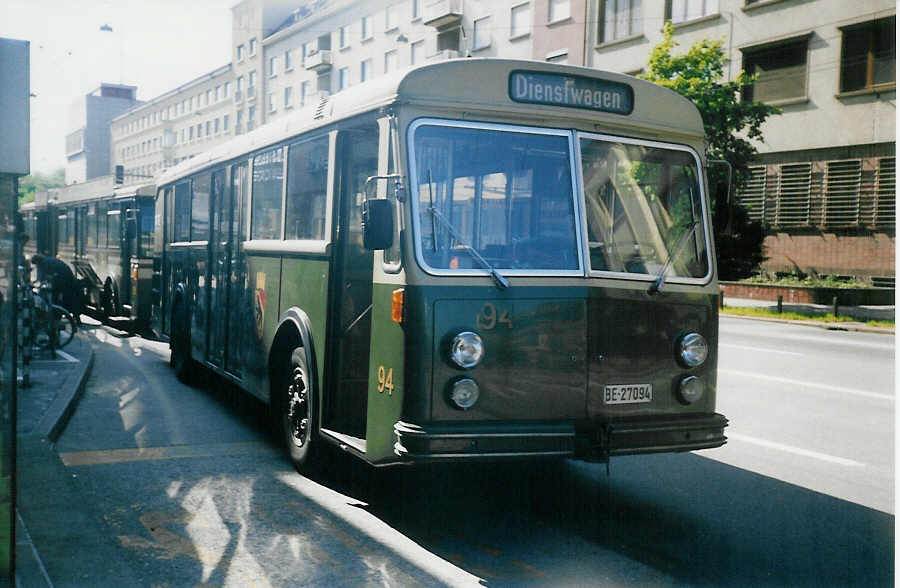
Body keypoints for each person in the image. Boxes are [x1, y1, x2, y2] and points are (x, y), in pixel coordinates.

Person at [30, 254, 80, 323]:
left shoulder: (44, 263)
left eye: (36, 264)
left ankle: (56, 315)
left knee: (56, 296)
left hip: (64, 279)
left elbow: (43, 277)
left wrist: (37, 283)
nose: (37, 266)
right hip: (68, 277)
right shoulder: (48, 260)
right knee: (68, 298)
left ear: (37, 261)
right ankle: (73, 317)